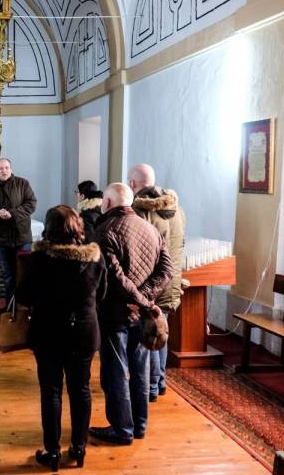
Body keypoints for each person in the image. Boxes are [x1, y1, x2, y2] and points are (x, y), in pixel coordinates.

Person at [16, 205, 106, 471]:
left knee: (51, 390)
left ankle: (52, 451)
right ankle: (79, 448)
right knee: (81, 389)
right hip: (84, 330)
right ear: (78, 227)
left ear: (49, 229)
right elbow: (101, 295)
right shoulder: (94, 259)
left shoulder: (39, 259)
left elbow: (23, 297)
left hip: (48, 331)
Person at [89, 183, 172, 445]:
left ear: (110, 203)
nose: (102, 204)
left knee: (115, 372)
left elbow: (114, 277)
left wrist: (139, 300)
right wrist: (145, 300)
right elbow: (166, 271)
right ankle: (140, 426)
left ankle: (122, 429)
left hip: (115, 312)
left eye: (104, 200)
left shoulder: (105, 230)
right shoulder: (151, 228)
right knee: (140, 370)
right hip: (142, 314)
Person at [128, 164, 185, 402]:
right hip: (171, 281)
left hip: (151, 283)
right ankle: (160, 381)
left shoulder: (141, 212)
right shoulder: (177, 208)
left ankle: (150, 386)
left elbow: (139, 252)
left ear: (132, 184)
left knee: (148, 335)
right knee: (162, 331)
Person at [0, 158, 37, 308]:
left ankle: (24, 308)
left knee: (24, 275)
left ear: (11, 169)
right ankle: (10, 307)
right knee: (8, 276)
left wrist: (13, 214)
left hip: (22, 237)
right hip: (2, 238)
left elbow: (31, 204)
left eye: (6, 168)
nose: (4, 171)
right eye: (0, 168)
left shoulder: (23, 183)